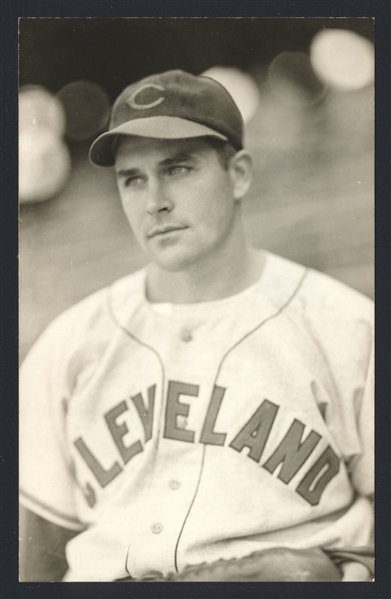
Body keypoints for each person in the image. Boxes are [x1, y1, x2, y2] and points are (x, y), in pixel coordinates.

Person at [19, 70, 374, 582]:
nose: (154, 200)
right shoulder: (68, 346)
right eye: (132, 178)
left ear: (240, 174)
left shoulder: (347, 326)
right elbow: (36, 562)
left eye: (178, 168)